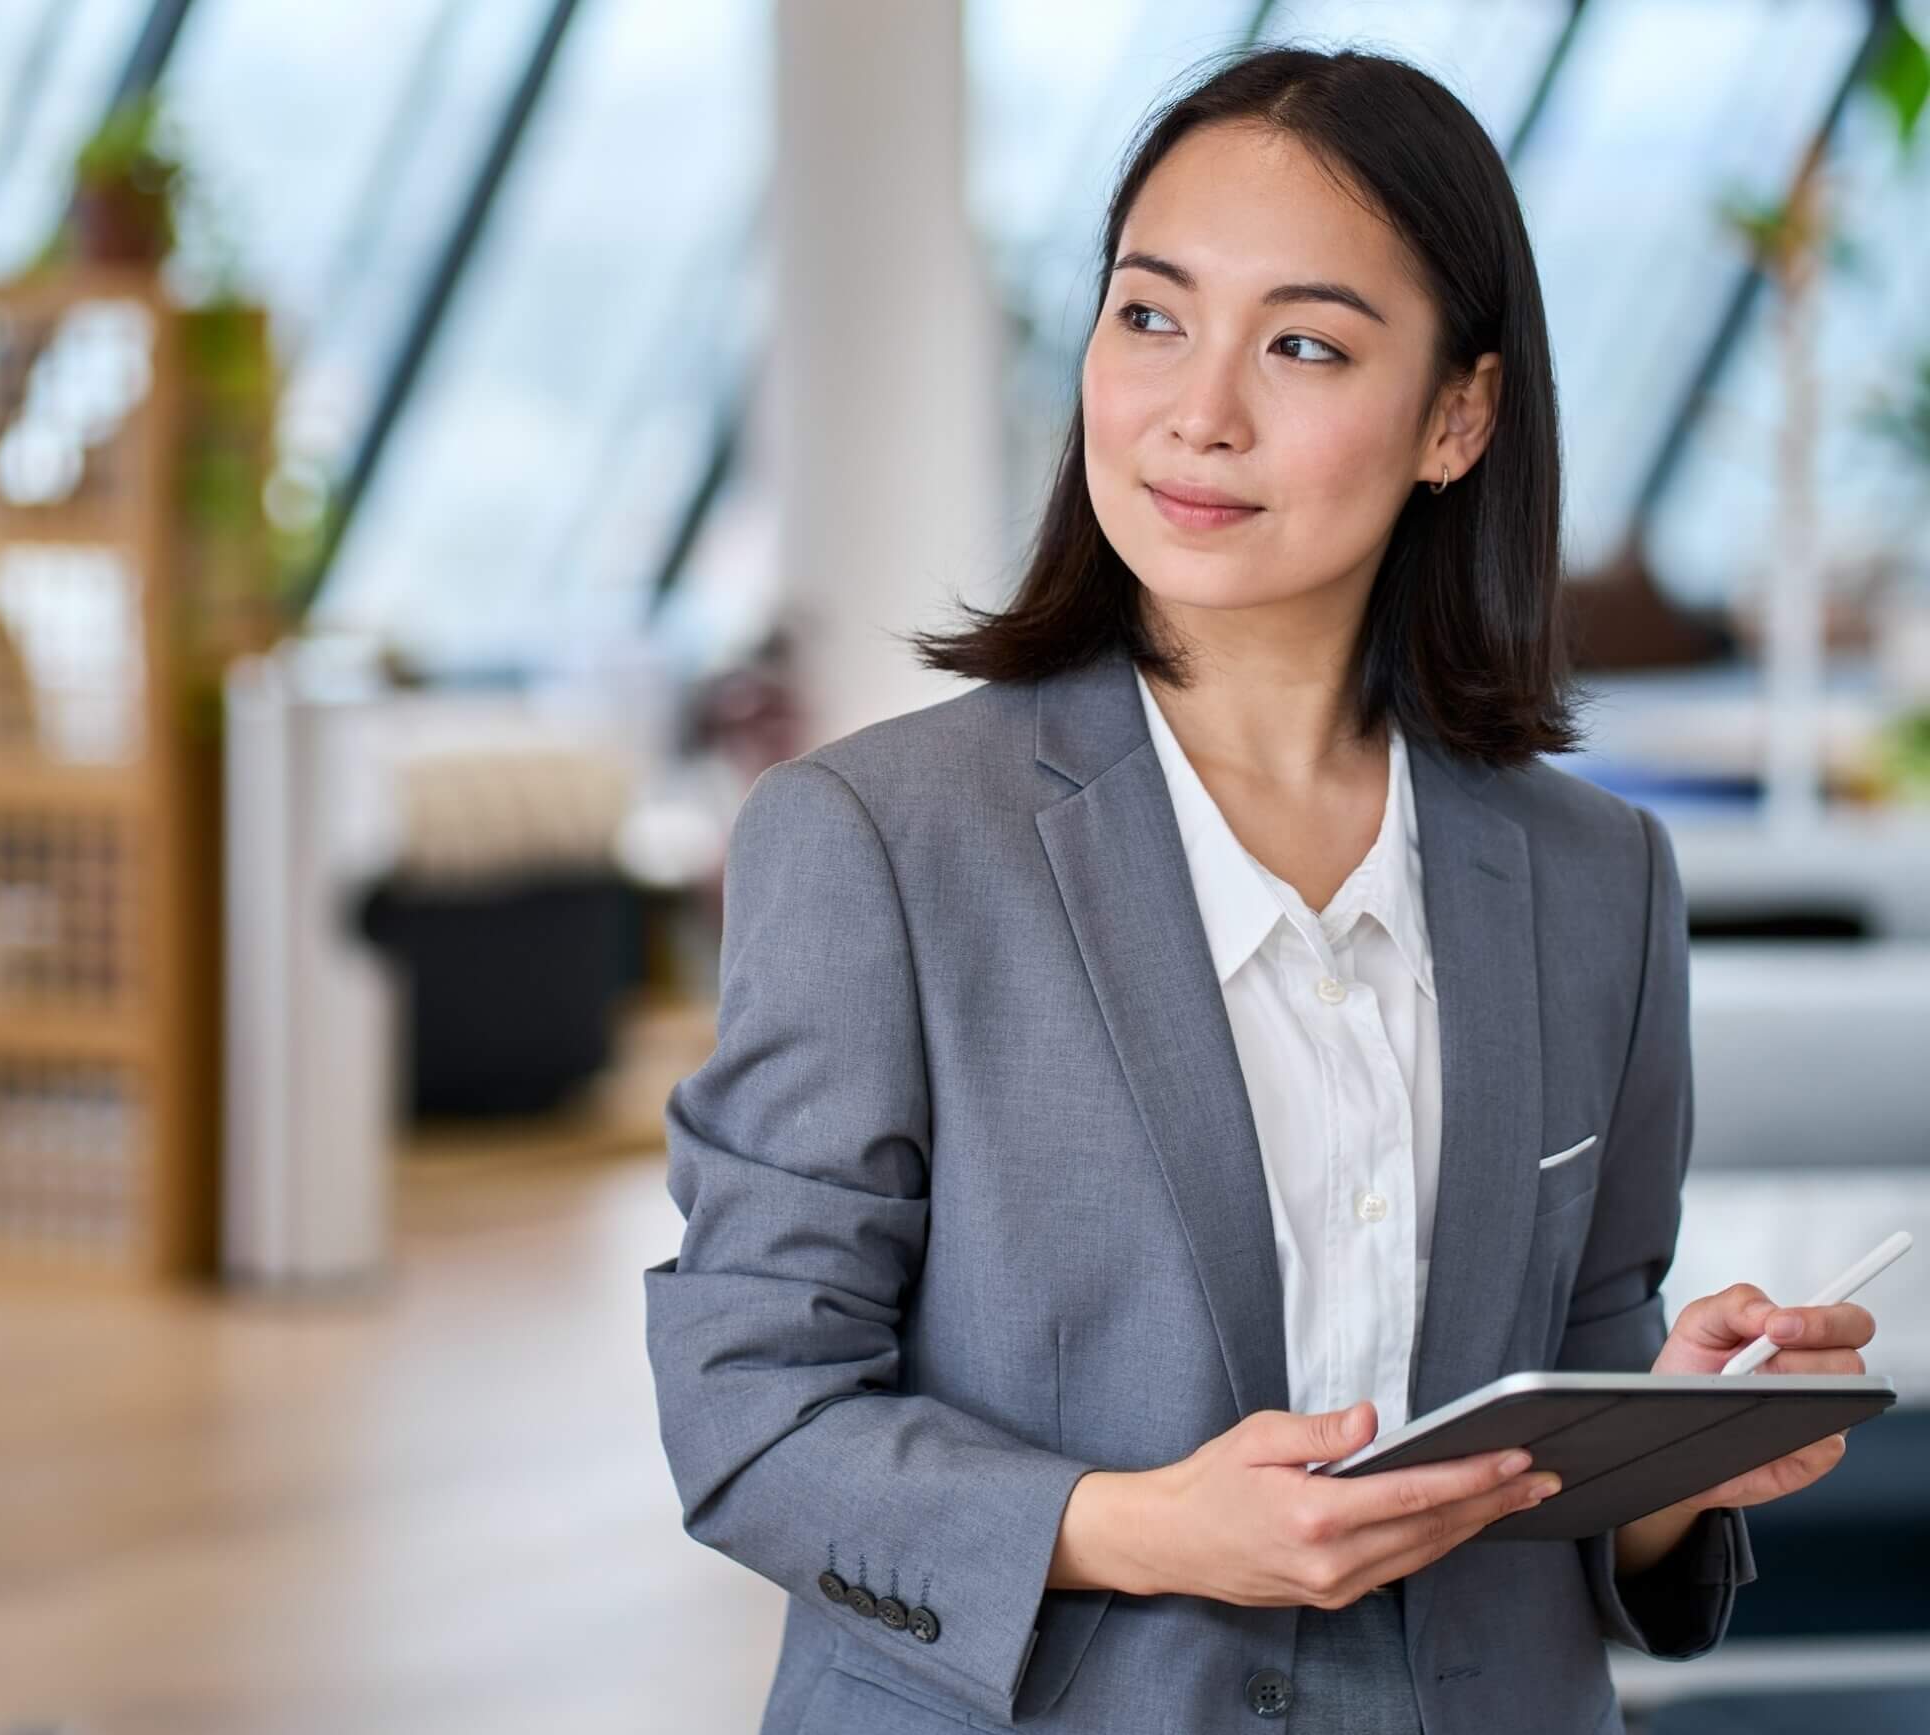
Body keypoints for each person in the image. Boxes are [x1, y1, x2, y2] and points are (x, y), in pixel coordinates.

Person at [642, 44, 1877, 1735]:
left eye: (1302, 345)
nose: (1196, 410)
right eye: (1150, 316)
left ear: (1461, 416)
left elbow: (1575, 1403)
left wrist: (1676, 1439)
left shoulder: (1598, 879)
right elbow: (756, 1416)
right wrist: (1152, 1531)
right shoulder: (877, 842)